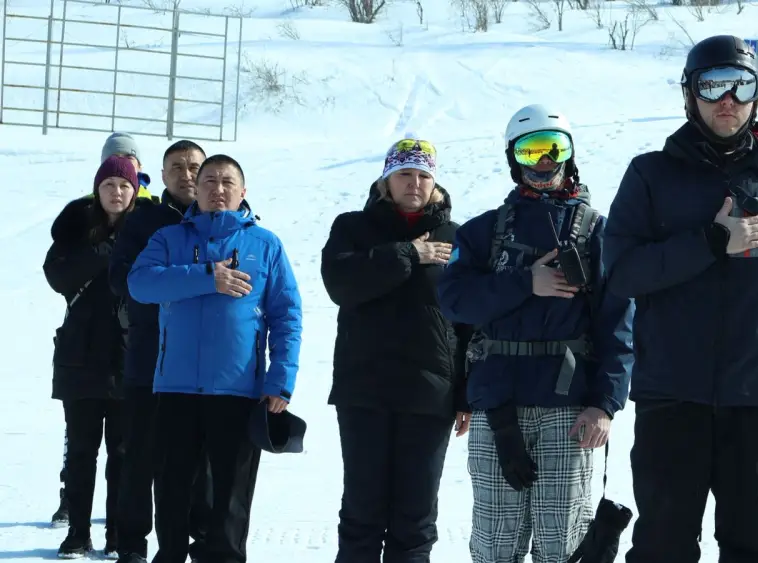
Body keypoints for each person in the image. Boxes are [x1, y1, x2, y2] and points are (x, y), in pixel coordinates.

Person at [601, 35, 758, 563]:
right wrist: (711, 241)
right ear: (690, 95)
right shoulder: (650, 176)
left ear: (755, 96)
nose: (727, 100)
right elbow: (621, 273)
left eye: (740, 86)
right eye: (712, 86)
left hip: (757, 401)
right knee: (662, 547)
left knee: (753, 547)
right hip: (671, 397)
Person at [437, 104, 634, 563]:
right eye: (531, 151)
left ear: (569, 154)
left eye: (554, 149)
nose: (544, 162)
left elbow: (619, 325)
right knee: (495, 542)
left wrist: (604, 404)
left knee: (561, 541)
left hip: (570, 407)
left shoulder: (598, 234)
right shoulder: (483, 232)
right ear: (514, 158)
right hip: (497, 403)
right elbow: (454, 301)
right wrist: (526, 282)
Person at [127, 154, 303, 563]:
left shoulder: (265, 244)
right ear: (196, 189)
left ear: (243, 192)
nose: (217, 189)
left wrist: (280, 380)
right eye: (209, 181)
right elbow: (140, 283)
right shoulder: (169, 238)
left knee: (231, 498)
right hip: (176, 388)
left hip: (238, 391)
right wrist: (208, 277)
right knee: (171, 491)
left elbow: (287, 316)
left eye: (227, 182)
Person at [320, 136, 473, 563]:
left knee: (415, 519)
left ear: (434, 183)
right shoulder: (352, 228)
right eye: (405, 173)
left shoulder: (457, 237)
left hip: (430, 394)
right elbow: (341, 285)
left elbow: (469, 322)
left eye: (423, 175)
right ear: (386, 180)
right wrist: (408, 253)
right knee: (362, 513)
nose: (414, 183)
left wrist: (466, 394)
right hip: (364, 390)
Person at [108, 140, 213, 563]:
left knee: (200, 461)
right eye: (177, 167)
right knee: (140, 456)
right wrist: (188, 280)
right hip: (150, 358)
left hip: (205, 364)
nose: (187, 175)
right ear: (162, 175)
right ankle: (132, 544)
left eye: (194, 167)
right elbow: (122, 279)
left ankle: (200, 539)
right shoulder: (143, 221)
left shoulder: (222, 219)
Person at [44, 155, 153, 558]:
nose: (117, 192)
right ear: (97, 190)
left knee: (123, 454)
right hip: (80, 357)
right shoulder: (76, 229)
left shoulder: (145, 232)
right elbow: (56, 275)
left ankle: (117, 535)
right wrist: (104, 254)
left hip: (129, 357)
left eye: (125, 186)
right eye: (109, 185)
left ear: (135, 191)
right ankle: (77, 532)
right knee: (81, 453)